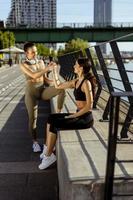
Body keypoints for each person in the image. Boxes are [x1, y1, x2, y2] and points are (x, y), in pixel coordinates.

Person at [38, 57, 95, 170]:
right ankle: (47, 148)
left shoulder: (86, 83)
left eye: (75, 65)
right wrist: (54, 71)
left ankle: (49, 156)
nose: (73, 66)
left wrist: (74, 115)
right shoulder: (76, 81)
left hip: (85, 118)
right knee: (51, 117)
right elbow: (58, 85)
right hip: (79, 114)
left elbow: (89, 106)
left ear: (81, 68)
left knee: (56, 123)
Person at [20, 42, 65, 152]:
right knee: (32, 119)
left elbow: (45, 80)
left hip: (42, 90)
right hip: (31, 94)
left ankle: (58, 115)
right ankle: (35, 142)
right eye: (33, 52)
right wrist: (47, 69)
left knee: (61, 90)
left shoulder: (41, 62)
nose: (35, 54)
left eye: (36, 51)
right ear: (27, 53)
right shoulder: (23, 64)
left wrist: (56, 82)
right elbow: (34, 75)